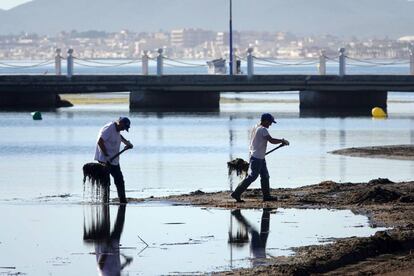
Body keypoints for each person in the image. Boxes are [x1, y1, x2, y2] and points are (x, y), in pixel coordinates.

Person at [231, 113, 289, 202]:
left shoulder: (256, 127)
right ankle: (236, 193)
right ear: (265, 121)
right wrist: (282, 140)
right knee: (252, 176)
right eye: (270, 122)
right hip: (257, 157)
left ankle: (266, 196)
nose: (271, 124)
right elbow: (271, 140)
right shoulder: (263, 130)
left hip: (258, 156)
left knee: (265, 176)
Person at [95, 117, 133, 204]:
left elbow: (119, 136)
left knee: (119, 180)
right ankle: (104, 202)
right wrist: (106, 155)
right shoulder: (109, 128)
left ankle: (123, 201)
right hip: (105, 160)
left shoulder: (117, 129)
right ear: (120, 123)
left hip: (114, 160)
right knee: (106, 182)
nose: (123, 129)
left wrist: (127, 143)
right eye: (124, 127)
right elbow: (100, 141)